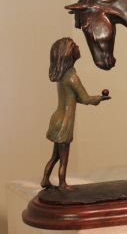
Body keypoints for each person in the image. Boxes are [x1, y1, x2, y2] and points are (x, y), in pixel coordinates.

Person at [41, 37, 111, 191]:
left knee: (55, 156)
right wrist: (99, 98)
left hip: (57, 118)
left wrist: (96, 99)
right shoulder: (72, 77)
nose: (78, 47)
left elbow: (75, 98)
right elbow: (85, 99)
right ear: (69, 53)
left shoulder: (63, 75)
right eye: (75, 46)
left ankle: (45, 179)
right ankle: (62, 183)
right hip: (65, 122)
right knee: (64, 158)